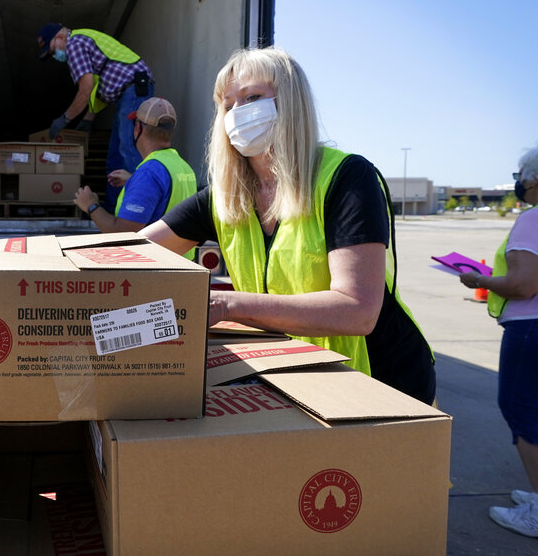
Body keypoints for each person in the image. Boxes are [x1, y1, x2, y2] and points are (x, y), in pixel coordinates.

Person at [139, 46, 436, 403]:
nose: (236, 114)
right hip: (298, 376)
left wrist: (228, 305)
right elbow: (134, 253)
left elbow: (358, 311)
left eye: (252, 97)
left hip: (380, 381)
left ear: (290, 102)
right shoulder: (224, 197)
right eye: (227, 105)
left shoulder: (346, 178)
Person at [458, 148, 538, 537]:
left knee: (523, 412)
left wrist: (481, 280)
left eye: (521, 173)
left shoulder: (532, 219)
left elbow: (523, 285)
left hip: (530, 329)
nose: (518, 180)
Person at [37, 23, 153, 207]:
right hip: (126, 94)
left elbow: (86, 88)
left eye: (52, 51)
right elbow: (99, 87)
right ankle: (114, 208)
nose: (55, 56)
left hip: (133, 90)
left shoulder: (74, 44)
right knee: (115, 156)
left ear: (59, 37)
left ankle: (140, 205)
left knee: (128, 149)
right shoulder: (82, 41)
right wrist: (87, 119)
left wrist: (64, 119)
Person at [72, 96, 197, 259]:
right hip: (183, 266)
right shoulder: (182, 167)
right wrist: (134, 182)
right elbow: (166, 197)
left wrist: (90, 205)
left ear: (138, 128)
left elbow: (123, 233)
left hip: (156, 270)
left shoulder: (149, 174)